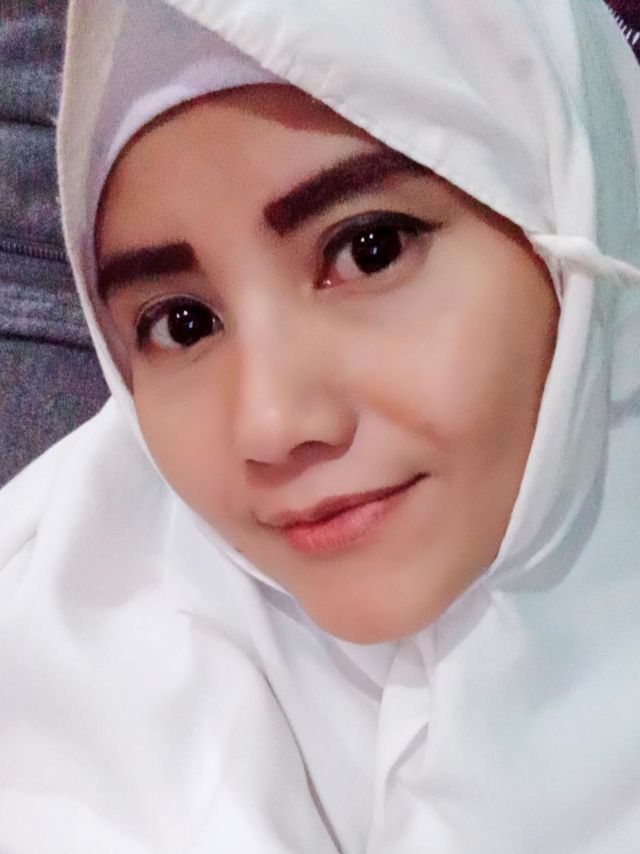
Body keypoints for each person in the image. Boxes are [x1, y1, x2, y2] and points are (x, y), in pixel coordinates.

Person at [1, 0, 639, 850]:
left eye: (369, 249)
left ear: (571, 205)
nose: (270, 424)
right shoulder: (67, 626)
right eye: (183, 324)